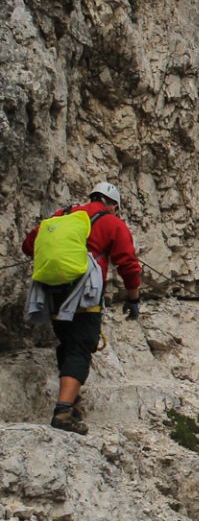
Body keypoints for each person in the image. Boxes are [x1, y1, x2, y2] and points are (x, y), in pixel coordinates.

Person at [21, 182, 142, 434]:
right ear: (114, 205)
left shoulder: (63, 216)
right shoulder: (112, 222)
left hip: (52, 290)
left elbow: (29, 245)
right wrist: (133, 298)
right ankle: (63, 413)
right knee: (80, 347)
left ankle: (73, 403)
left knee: (67, 343)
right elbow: (128, 263)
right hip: (84, 295)